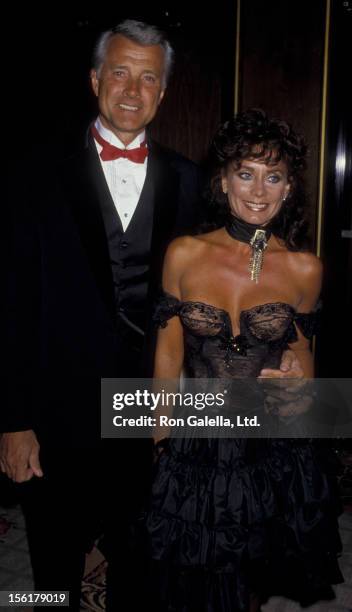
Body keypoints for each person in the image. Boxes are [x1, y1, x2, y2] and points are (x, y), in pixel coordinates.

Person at [0, 21, 301, 611]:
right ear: (94, 80)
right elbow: (9, 302)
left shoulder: (190, 180)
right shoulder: (31, 175)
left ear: (162, 93)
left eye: (148, 78)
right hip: (55, 406)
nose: (133, 90)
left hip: (151, 411)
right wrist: (12, 420)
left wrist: (284, 340)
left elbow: (243, 250)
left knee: (143, 559)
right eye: (120, 72)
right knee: (53, 566)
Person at [147, 109, 343, 612]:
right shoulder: (183, 254)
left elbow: (304, 364)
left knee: (251, 572)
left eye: (273, 176)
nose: (259, 191)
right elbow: (168, 356)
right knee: (194, 571)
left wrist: (300, 386)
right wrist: (156, 437)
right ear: (223, 179)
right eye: (246, 173)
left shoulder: (305, 268)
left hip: (269, 442)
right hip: (199, 439)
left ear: (288, 189)